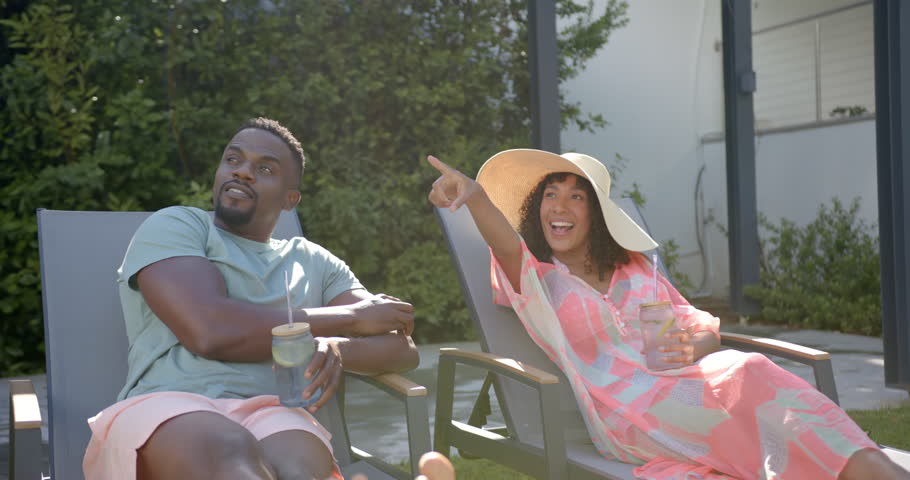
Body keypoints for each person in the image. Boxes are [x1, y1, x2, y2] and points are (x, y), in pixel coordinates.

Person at [427, 149, 910, 480]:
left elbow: (689, 328)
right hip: (628, 413)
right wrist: (475, 196)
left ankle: (870, 467)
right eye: (551, 194)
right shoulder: (536, 279)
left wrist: (697, 344)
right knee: (758, 386)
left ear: (594, 213)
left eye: (577, 196)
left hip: (689, 383)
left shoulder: (633, 268)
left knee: (752, 374)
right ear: (537, 208)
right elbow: (502, 240)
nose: (561, 206)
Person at [82, 117, 419, 480]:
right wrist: (349, 319)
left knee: (299, 469)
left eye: (265, 168)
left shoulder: (313, 261)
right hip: (170, 403)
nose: (242, 172)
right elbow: (210, 331)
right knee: (231, 453)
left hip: (272, 411)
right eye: (233, 160)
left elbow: (401, 347)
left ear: (291, 200)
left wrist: (337, 348)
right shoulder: (179, 226)